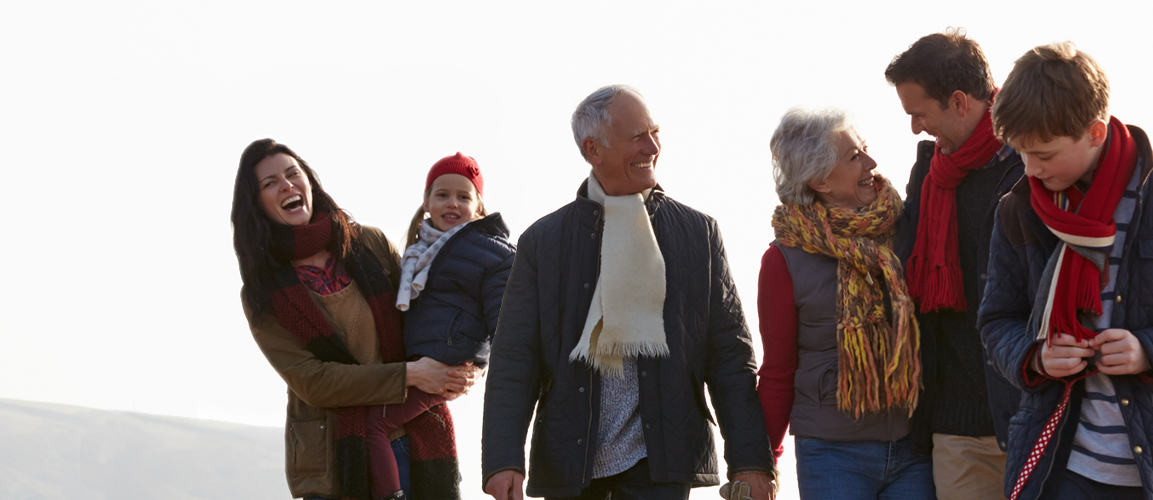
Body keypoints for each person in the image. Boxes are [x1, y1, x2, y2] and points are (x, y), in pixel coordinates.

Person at [978, 43, 1153, 500]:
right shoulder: (1017, 210)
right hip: (1058, 469)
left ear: (1095, 132)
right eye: (1021, 153)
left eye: (1044, 154)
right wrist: (1036, 356)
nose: (1030, 168)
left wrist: (1150, 350)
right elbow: (996, 320)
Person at [482, 85, 775, 500]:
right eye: (638, 136)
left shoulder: (698, 233)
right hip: (570, 465)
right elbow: (515, 359)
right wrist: (502, 459)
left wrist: (750, 462)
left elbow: (729, 355)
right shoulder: (542, 242)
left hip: (662, 464)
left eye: (655, 132)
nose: (653, 146)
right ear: (593, 149)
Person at [231, 138, 478, 500]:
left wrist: (462, 359)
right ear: (257, 203)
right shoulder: (263, 293)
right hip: (333, 462)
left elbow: (427, 316)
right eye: (270, 184)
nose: (286, 185)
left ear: (309, 183)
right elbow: (314, 382)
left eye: (292, 174)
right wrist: (412, 375)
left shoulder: (370, 244)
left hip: (412, 439)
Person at [756, 107, 933, 500]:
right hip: (832, 454)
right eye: (854, 157)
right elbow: (778, 371)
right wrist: (760, 460)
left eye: (865, 149)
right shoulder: (783, 260)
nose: (871, 163)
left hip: (915, 447)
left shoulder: (906, 230)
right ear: (819, 180)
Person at [884, 28, 1025, 500]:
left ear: (960, 102)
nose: (915, 128)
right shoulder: (928, 171)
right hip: (954, 421)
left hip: (1029, 407)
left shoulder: (1033, 165)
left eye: (919, 113)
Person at [344, 152, 514, 500]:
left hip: (445, 366)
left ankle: (392, 495)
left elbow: (504, 324)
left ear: (479, 207)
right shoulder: (418, 253)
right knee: (377, 422)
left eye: (463, 196)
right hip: (423, 363)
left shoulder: (493, 254)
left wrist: (478, 365)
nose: (452, 203)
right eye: (442, 195)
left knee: (374, 424)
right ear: (426, 203)